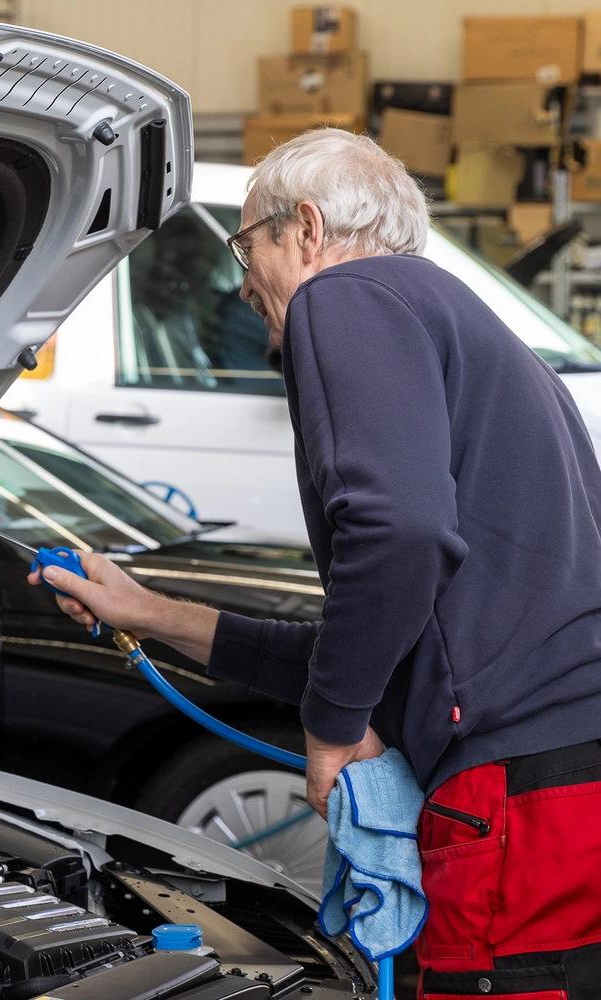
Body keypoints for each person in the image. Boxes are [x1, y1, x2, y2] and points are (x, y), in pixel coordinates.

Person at [30, 128, 601, 995]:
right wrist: (146, 611)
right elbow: (378, 633)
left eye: (244, 243)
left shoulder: (347, 297)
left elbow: (399, 536)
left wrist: (332, 730)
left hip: (517, 795)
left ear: (304, 228)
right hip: (564, 784)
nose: (242, 277)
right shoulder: (470, 333)